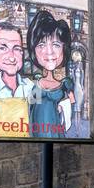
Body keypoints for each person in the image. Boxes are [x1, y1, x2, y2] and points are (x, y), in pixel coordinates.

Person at [27, 9, 75, 139]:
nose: (49, 52)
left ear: (64, 48)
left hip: (56, 132)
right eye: (41, 44)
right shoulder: (36, 83)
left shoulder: (64, 84)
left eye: (56, 45)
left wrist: (63, 106)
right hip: (36, 133)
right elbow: (31, 109)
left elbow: (72, 101)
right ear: (34, 49)